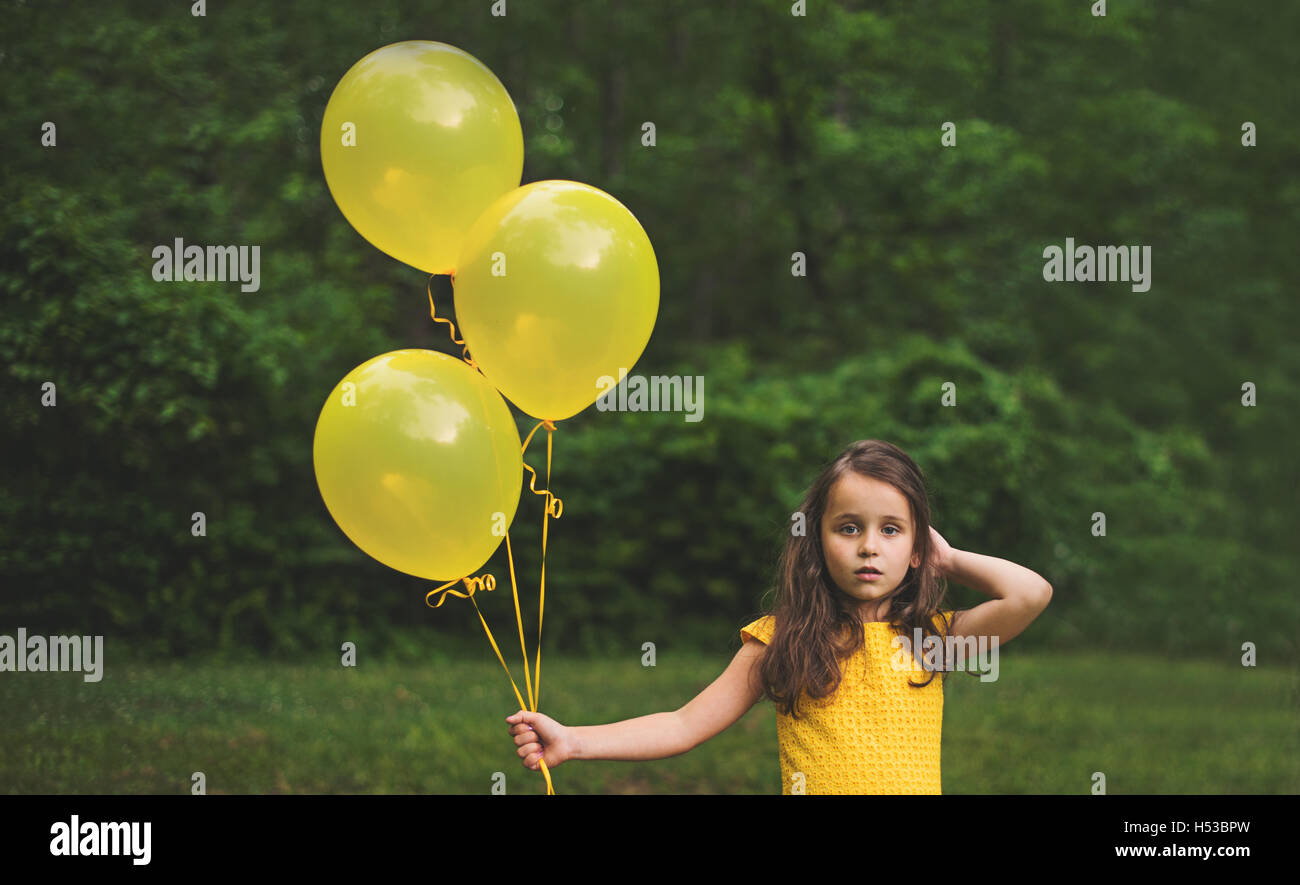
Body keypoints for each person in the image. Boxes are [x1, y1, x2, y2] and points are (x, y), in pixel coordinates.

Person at [505, 439, 1052, 794]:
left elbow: (1029, 595)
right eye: (848, 528)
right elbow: (683, 724)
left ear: (916, 549)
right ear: (816, 541)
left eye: (890, 529)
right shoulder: (782, 639)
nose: (868, 546)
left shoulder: (932, 640)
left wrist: (951, 559)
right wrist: (574, 740)